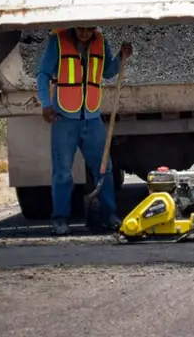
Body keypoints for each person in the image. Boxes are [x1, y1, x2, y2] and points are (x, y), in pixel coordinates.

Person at [36, 26, 133, 236]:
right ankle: (60, 219)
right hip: (64, 118)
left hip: (91, 116)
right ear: (74, 25)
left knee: (104, 169)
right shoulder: (58, 42)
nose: (85, 34)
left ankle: (109, 216)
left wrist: (121, 58)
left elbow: (107, 72)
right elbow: (43, 74)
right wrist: (45, 104)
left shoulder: (100, 41)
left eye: (89, 30)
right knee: (62, 172)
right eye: (81, 29)